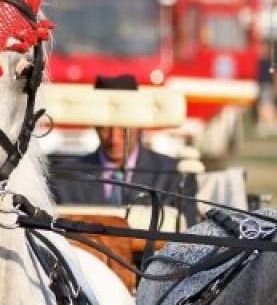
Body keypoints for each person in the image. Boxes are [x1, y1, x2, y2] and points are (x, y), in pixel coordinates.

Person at [48, 74, 196, 222]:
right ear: (94, 123)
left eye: (124, 127)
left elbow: (187, 236)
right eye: (106, 127)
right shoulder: (64, 178)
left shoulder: (175, 177)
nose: (114, 138)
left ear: (139, 124)